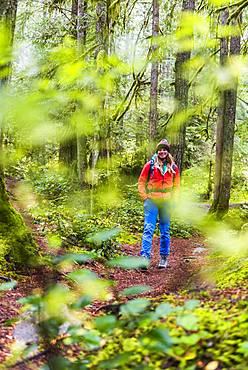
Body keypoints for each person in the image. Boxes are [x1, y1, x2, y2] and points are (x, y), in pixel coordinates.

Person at [138, 139, 180, 269]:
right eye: (160, 150)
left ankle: (163, 258)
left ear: (167, 152)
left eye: (165, 150)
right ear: (157, 151)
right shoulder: (149, 165)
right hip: (151, 201)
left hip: (166, 202)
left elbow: (177, 186)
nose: (162, 152)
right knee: (148, 229)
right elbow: (141, 182)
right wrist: (144, 197)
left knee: (165, 231)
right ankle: (145, 258)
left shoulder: (173, 167)